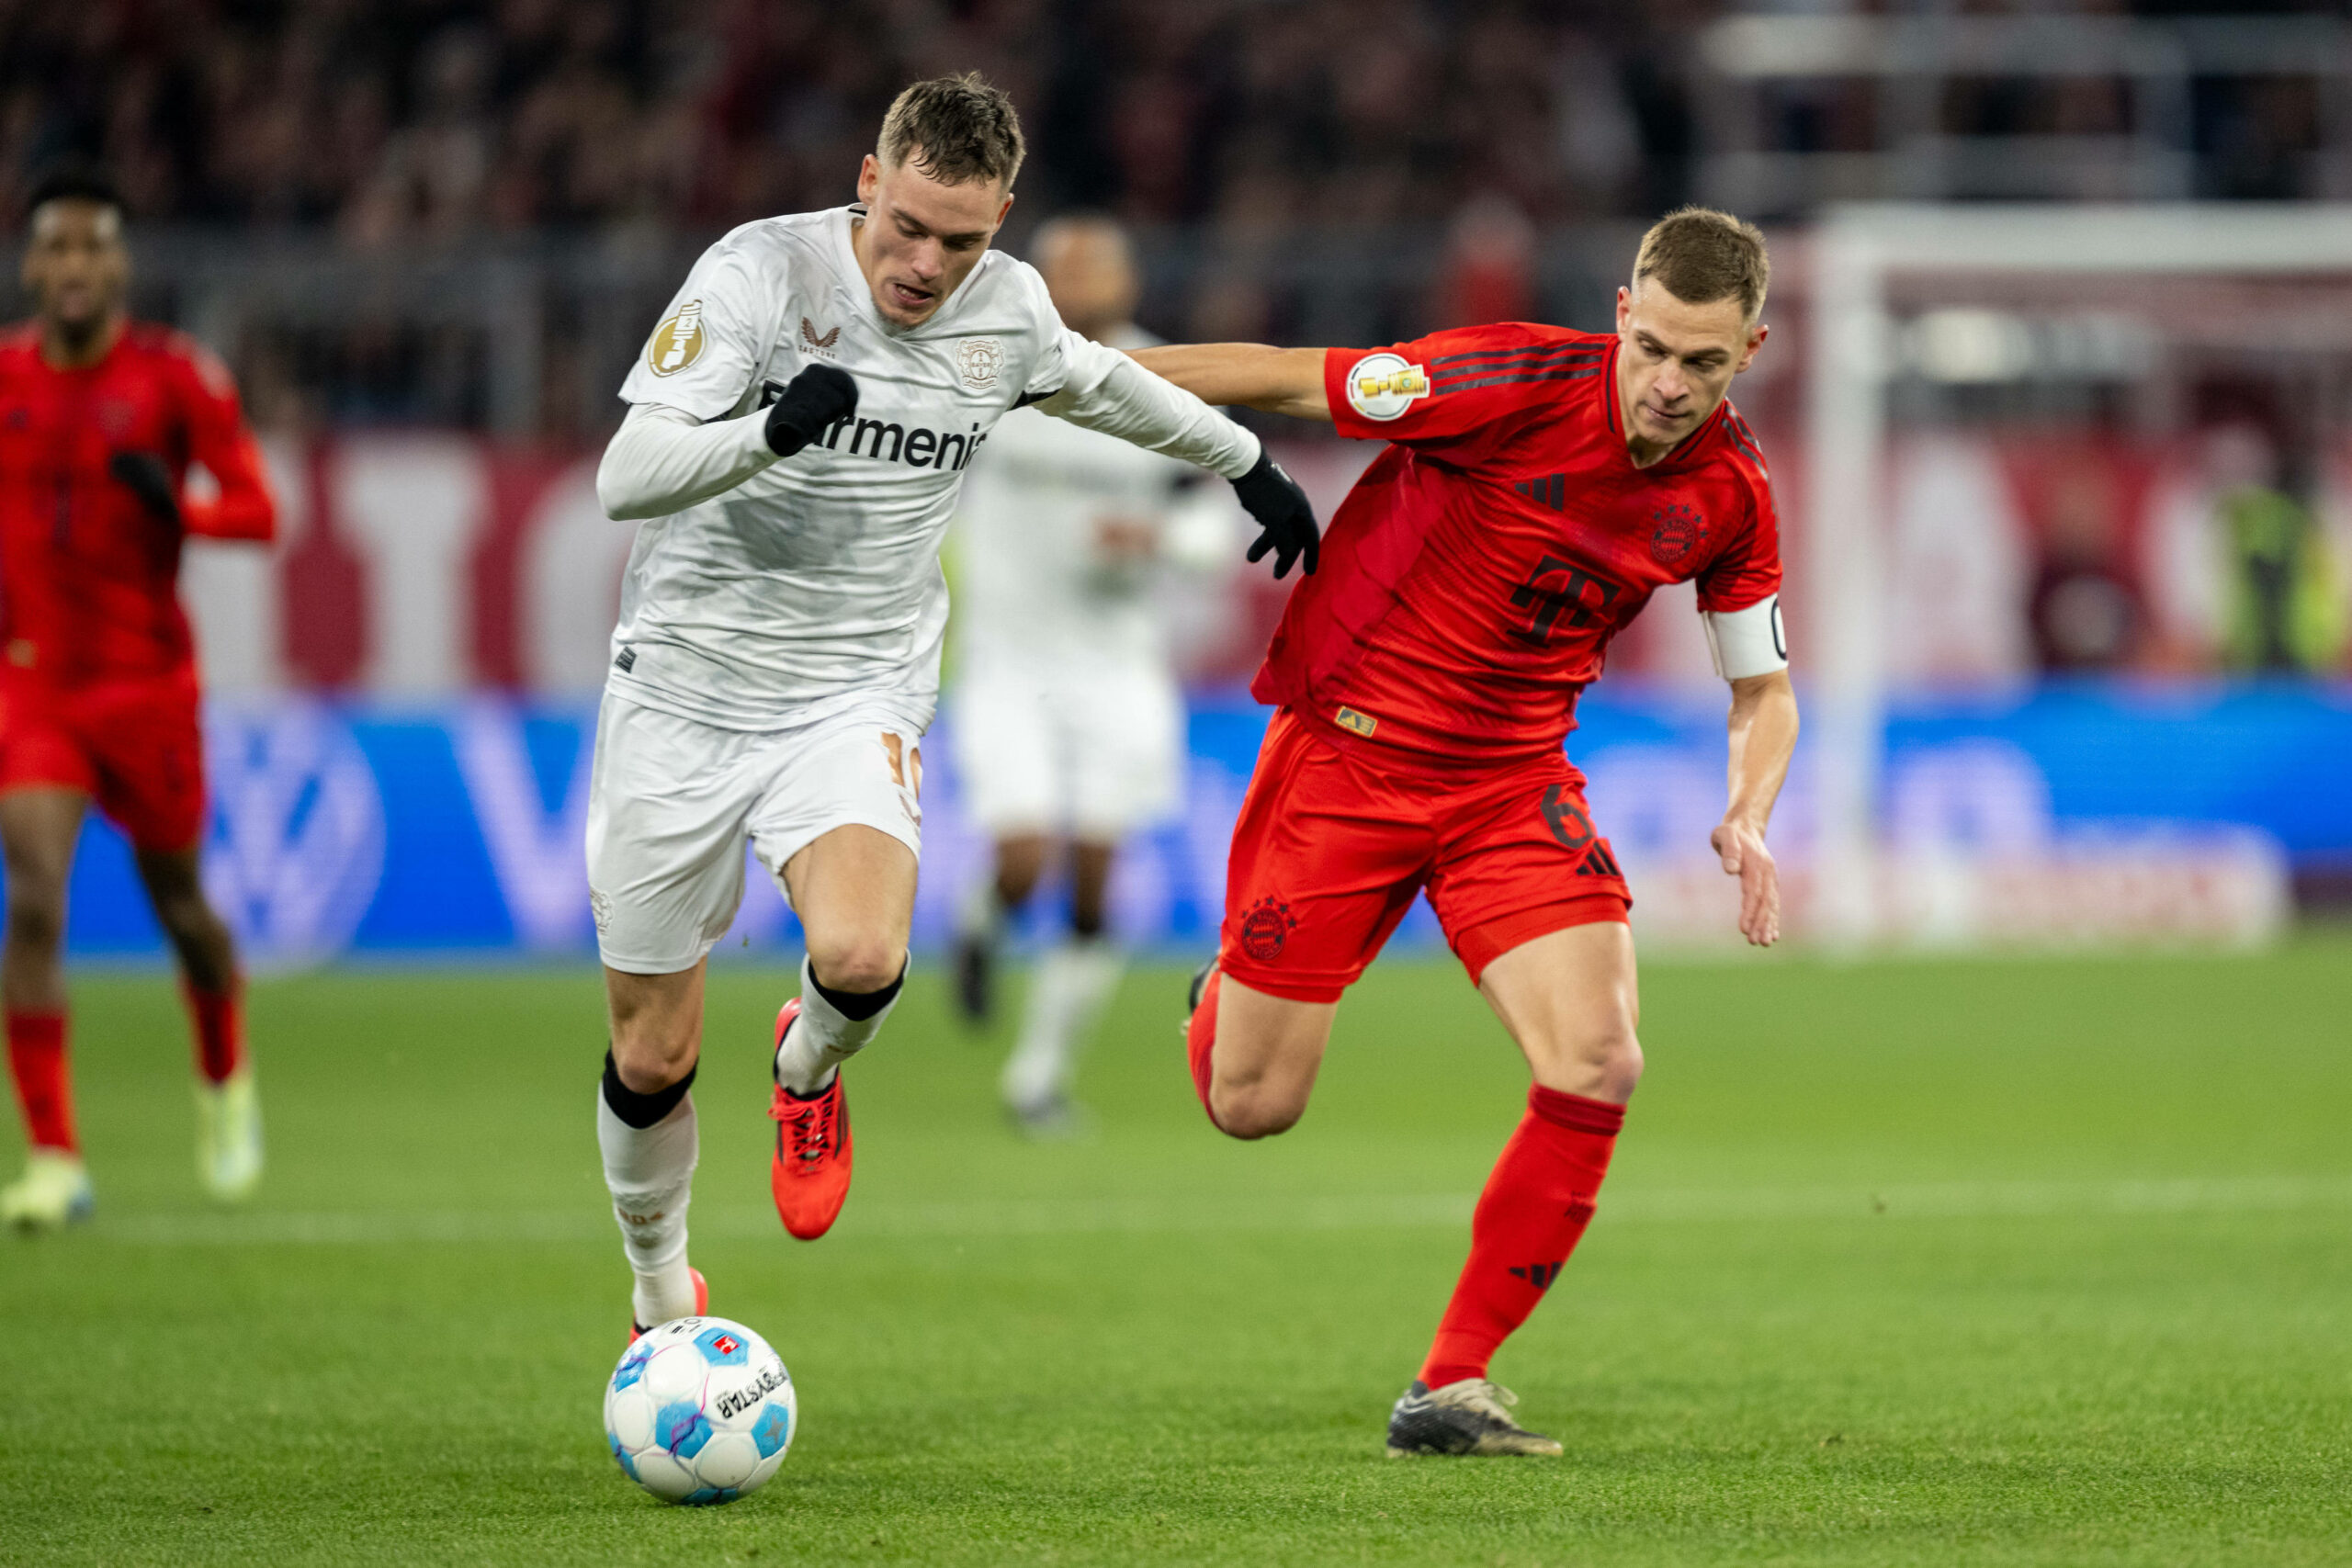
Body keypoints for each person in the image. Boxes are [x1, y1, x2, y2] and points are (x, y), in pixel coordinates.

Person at [588, 75, 1317, 1338]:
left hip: (853, 684)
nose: (926, 264)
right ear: (870, 180)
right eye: (908, 226)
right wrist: (767, 430)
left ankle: (806, 1065)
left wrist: (1244, 462)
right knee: (652, 1054)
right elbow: (626, 476)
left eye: (962, 239)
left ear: (1003, 222)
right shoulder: (757, 276)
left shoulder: (1008, 311)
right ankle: (660, 1289)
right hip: (684, 690)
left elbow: (1103, 382)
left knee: (864, 955)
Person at [1135, 207, 1799, 1456]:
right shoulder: (1504, 378)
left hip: (1511, 785)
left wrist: (1750, 808)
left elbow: (1762, 690)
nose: (1668, 383)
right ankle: (1225, 991)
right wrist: (1046, 372)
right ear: (1619, 311)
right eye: (1651, 346)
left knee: (1600, 1056)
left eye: (1701, 362)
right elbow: (1287, 379)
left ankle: (1451, 1379)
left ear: (1750, 347)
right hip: (1349, 754)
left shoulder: (1732, 491)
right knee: (1250, 1102)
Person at [0, 168, 278, 1231]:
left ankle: (223, 1075)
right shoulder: (6, 378)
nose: (74, 267)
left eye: (93, 248)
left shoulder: (174, 380)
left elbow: (261, 514)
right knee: (32, 899)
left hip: (149, 688)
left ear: (118, 264)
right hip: (36, 686)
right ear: (33, 266)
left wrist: (185, 512)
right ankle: (56, 1158)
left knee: (185, 913)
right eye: (55, 249)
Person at [947, 214, 1238, 1137]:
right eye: (1060, 276)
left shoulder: (1168, 381)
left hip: (1117, 667)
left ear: (1126, 282)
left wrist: (1158, 540)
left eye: (1093, 274)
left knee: (1096, 878)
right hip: (1006, 661)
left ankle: (1037, 1077)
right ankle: (982, 923)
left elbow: (1214, 526)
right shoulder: (986, 373)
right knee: (1025, 862)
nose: (1076, 292)